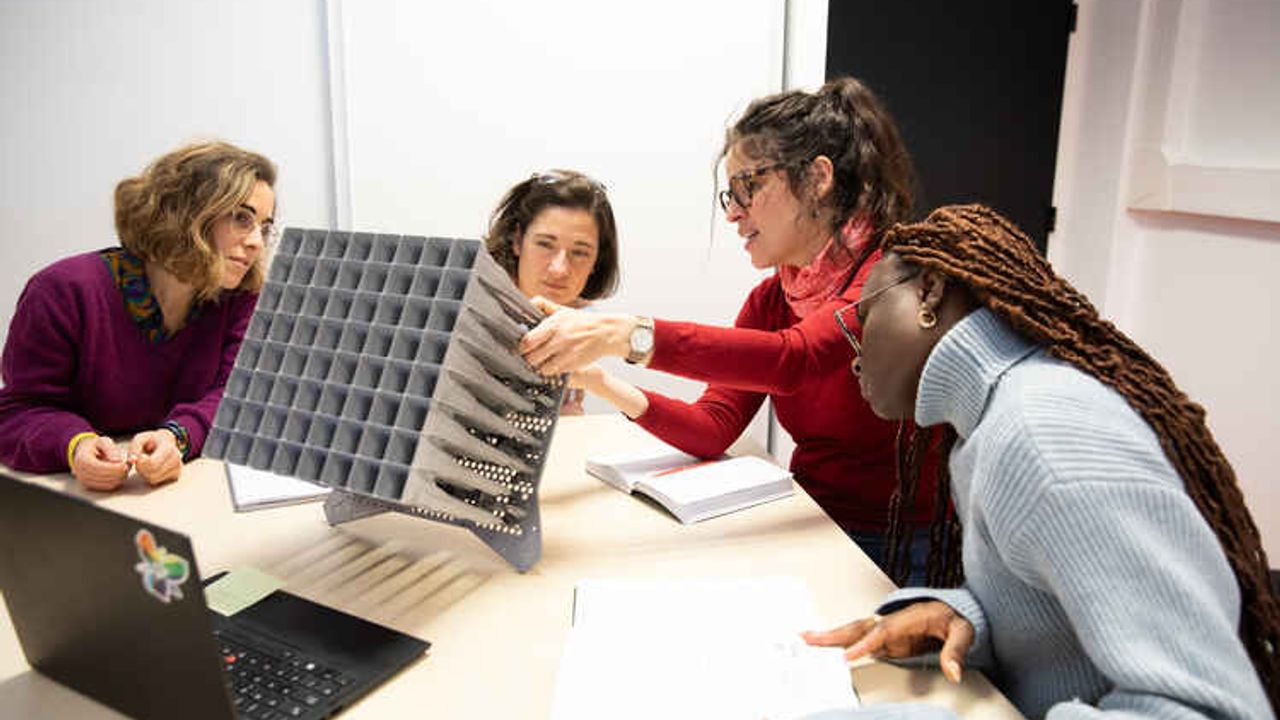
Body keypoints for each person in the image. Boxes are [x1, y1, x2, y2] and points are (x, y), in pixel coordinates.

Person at [800, 205, 1278, 718]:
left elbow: (1207, 709)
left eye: (862, 322)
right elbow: (1059, 612)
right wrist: (965, 617)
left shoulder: (1041, 435)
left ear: (930, 290)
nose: (854, 356)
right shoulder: (986, 425)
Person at [519, 77, 940, 584]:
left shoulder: (888, 279)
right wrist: (599, 380)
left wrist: (626, 334)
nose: (734, 213)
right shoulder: (773, 300)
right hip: (811, 520)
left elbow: (794, 360)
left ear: (817, 179)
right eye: (731, 194)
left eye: (749, 186)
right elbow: (713, 426)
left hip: (905, 546)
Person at [0, 141, 275, 491]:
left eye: (264, 226)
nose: (257, 243)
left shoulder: (238, 300)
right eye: (241, 217)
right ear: (187, 212)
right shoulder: (62, 291)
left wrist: (177, 437)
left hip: (178, 492)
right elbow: (18, 410)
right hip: (74, 498)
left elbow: (236, 395)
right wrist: (75, 445)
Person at [485, 169, 620, 415]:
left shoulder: (586, 326)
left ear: (597, 261)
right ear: (517, 240)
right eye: (545, 244)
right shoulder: (474, 313)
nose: (559, 269)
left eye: (579, 252)